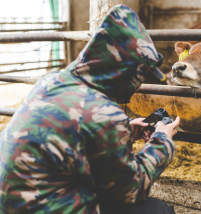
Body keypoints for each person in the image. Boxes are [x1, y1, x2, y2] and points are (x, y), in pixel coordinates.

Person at [0, 4, 180, 214]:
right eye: (140, 75)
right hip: (47, 207)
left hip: (14, 204)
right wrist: (162, 141)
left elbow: (70, 135)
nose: (139, 84)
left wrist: (127, 132)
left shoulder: (53, 81)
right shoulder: (103, 113)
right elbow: (131, 190)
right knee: (157, 210)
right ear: (123, 71)